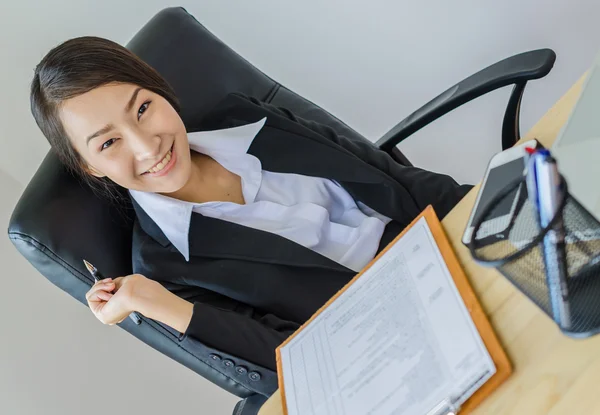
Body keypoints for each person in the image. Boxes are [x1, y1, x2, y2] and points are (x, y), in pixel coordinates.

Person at [30, 36, 471, 371]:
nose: (148, 146)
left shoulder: (245, 118)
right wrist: (157, 303)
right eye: (109, 142)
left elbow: (395, 178)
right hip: (401, 338)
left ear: (160, 91)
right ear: (91, 169)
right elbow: (289, 362)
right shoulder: (165, 267)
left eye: (143, 108)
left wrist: (493, 205)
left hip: (454, 248)